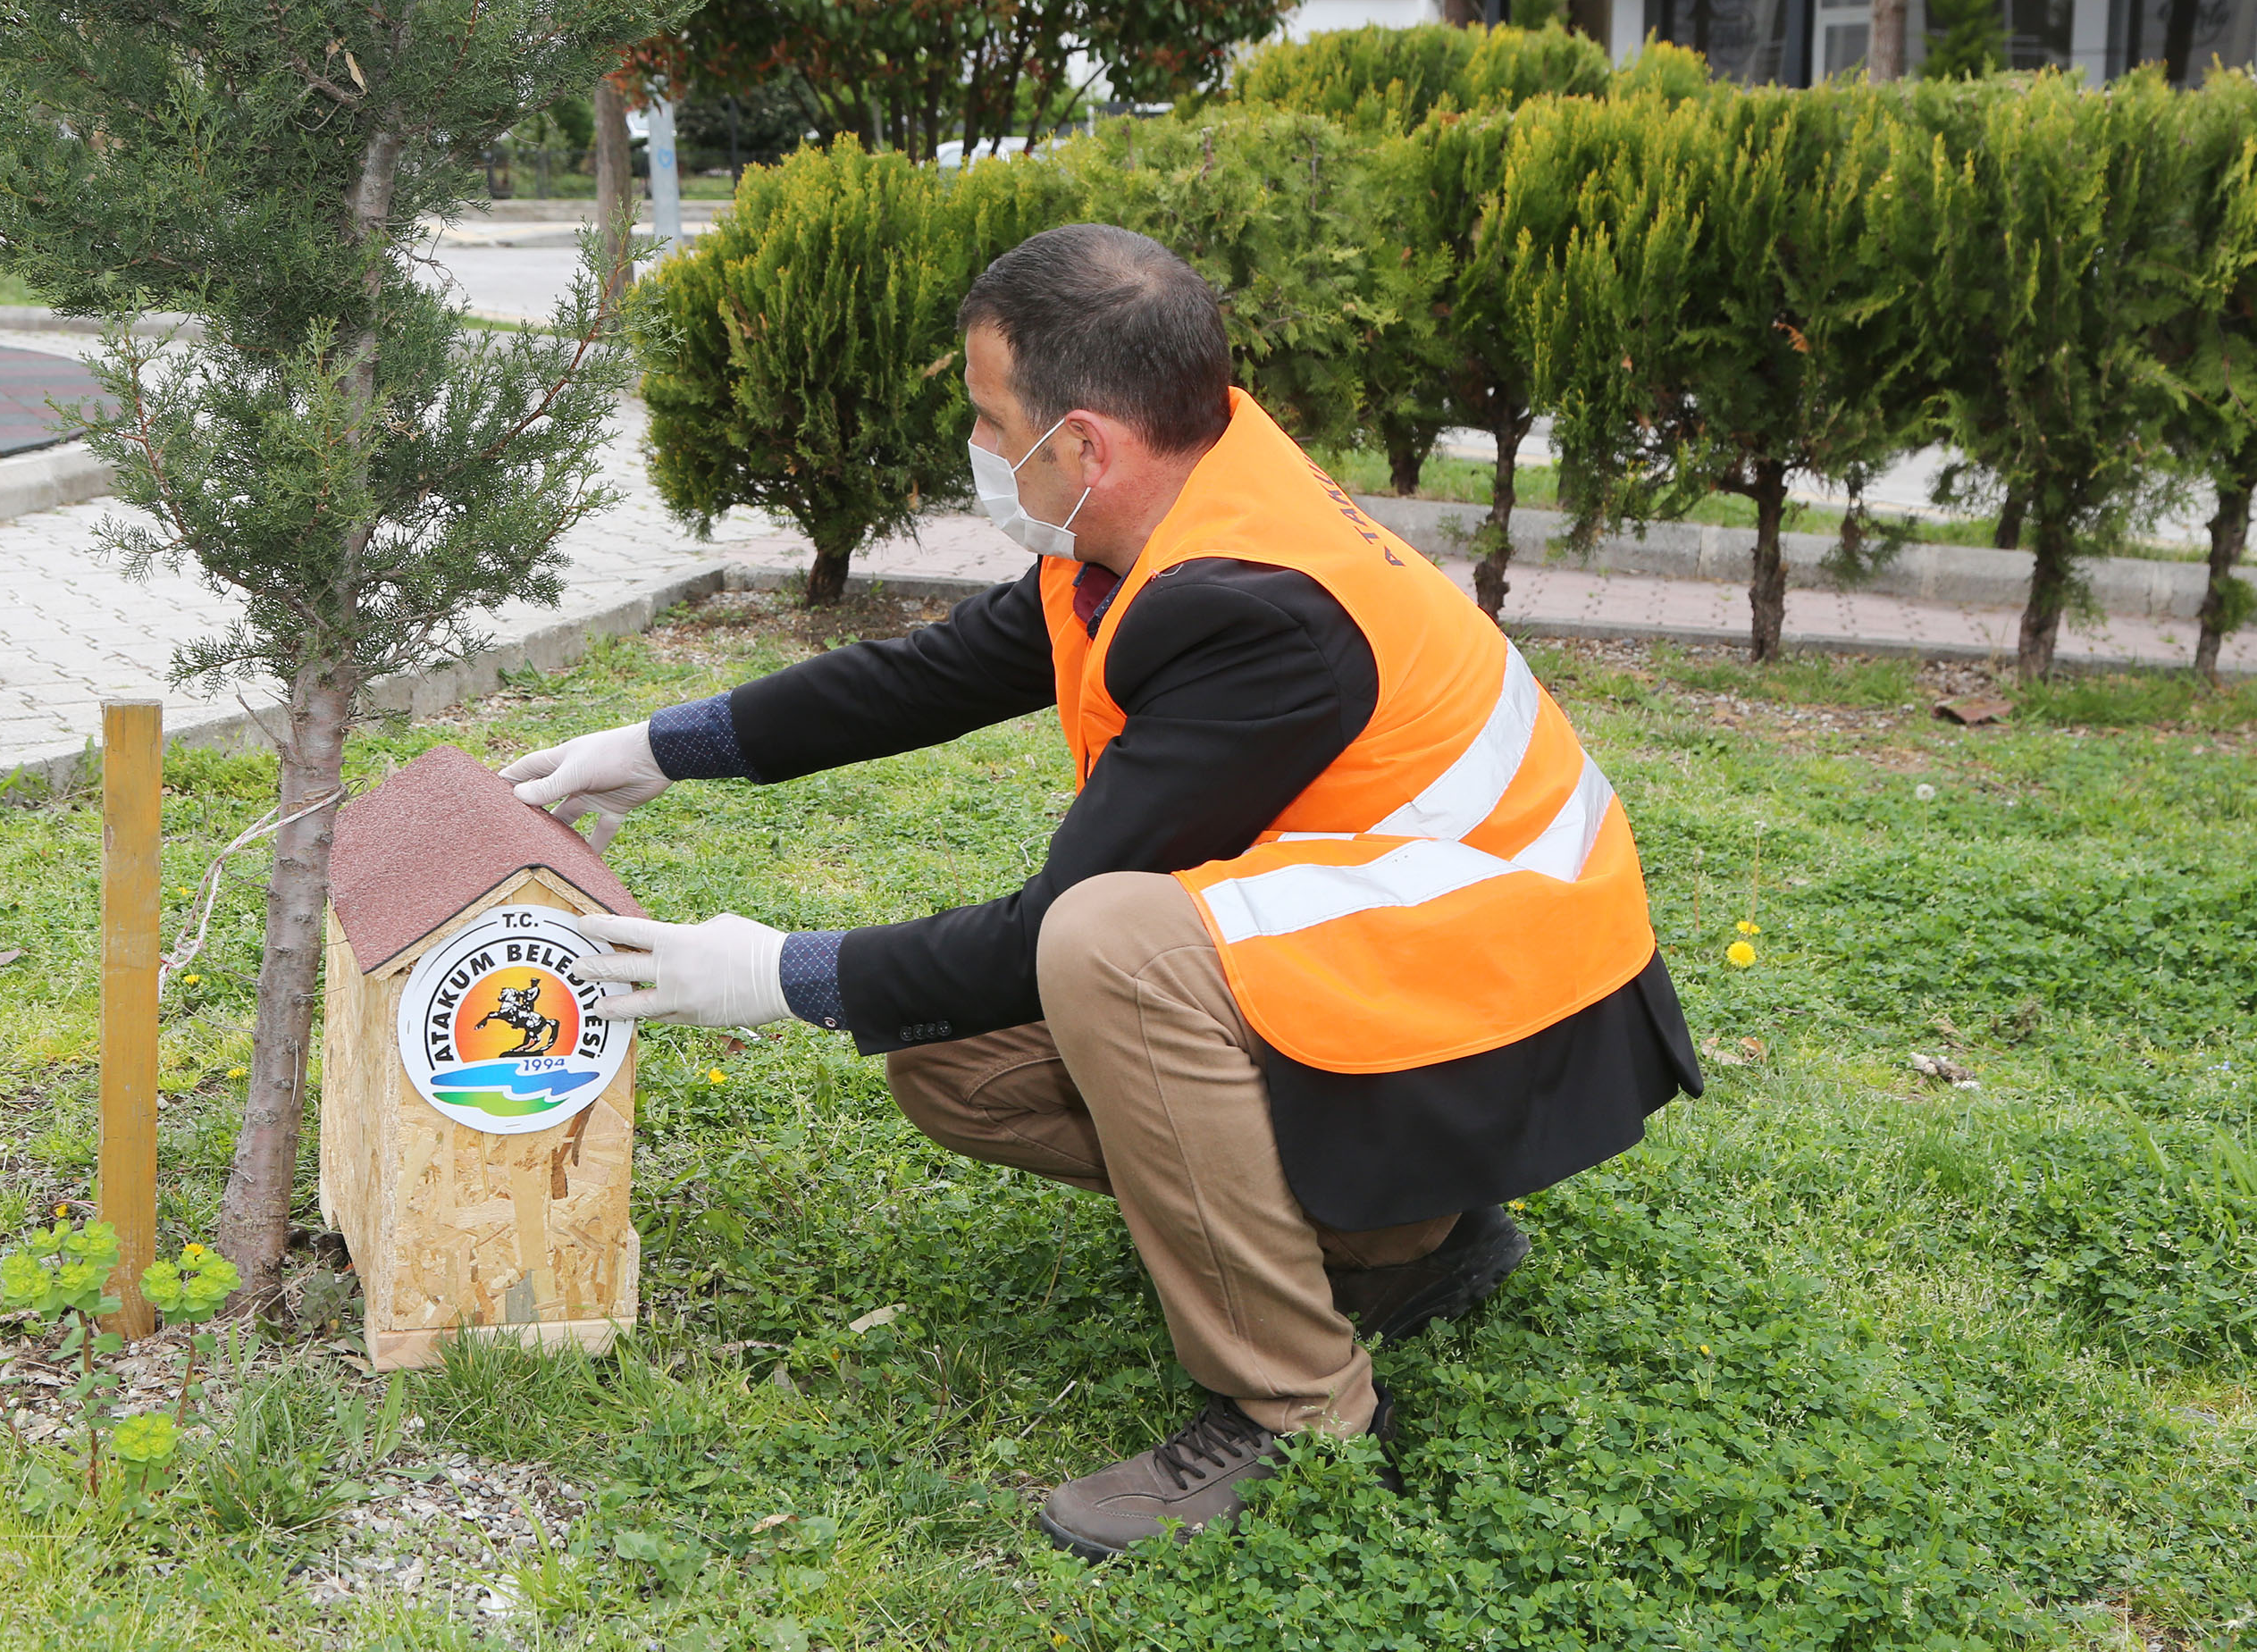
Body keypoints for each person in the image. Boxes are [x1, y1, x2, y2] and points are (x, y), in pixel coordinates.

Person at [502, 223, 1702, 1561]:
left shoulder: (1256, 608)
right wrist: (661, 750)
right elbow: (931, 674)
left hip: (1513, 1025)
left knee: (1107, 940)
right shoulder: (1165, 514)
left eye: (986, 416)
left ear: (1081, 445)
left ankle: (1296, 1403)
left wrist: (769, 974)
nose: (975, 442)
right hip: (1425, 985)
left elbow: (1049, 932)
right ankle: (1400, 1240)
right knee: (946, 1058)